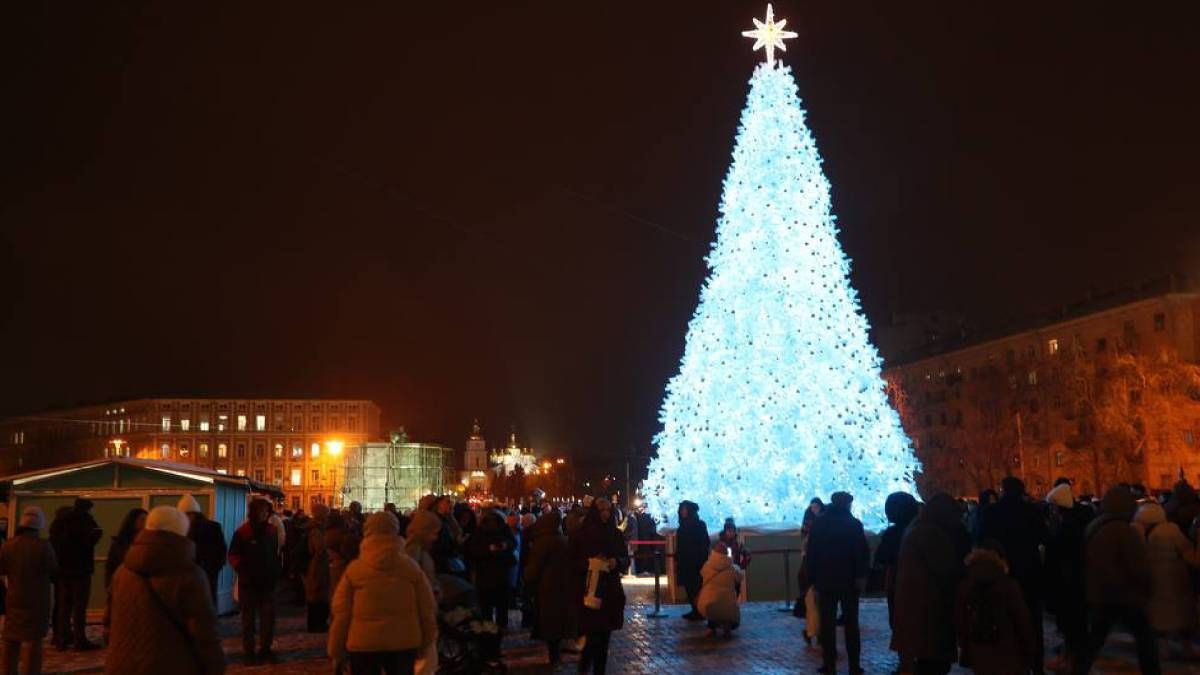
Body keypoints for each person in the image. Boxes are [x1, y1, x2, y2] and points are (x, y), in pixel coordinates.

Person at [105, 506, 224, 675]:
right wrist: (215, 667)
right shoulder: (189, 574)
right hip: (172, 664)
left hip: (123, 664)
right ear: (181, 531)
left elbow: (109, 619)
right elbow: (204, 630)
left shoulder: (123, 571)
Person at [329, 512, 437, 675]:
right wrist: (425, 644)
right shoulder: (411, 568)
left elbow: (341, 614)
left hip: (363, 644)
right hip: (403, 643)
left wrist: (336, 651)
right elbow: (427, 610)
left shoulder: (355, 571)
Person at [1073, 486, 1159, 675]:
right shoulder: (1124, 531)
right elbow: (1137, 565)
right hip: (1125, 595)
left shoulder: (1095, 526)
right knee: (1145, 640)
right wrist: (1148, 587)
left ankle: (1079, 669)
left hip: (1100, 594)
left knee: (1094, 640)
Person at [977, 477, 1048, 674]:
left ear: (1003, 490)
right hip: (1029, 572)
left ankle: (1011, 663)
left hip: (1002, 572)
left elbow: (981, 539)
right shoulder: (1032, 511)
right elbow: (1045, 537)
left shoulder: (992, 512)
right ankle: (1036, 664)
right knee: (1033, 621)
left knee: (1005, 620)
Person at [894, 493, 966, 675]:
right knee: (934, 664)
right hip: (930, 612)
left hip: (918, 609)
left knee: (929, 662)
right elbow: (946, 570)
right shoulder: (932, 533)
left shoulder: (917, 527)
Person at [803, 491, 869, 675]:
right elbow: (862, 554)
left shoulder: (820, 523)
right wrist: (860, 577)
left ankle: (829, 665)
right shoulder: (854, 525)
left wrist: (813, 578)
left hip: (825, 581)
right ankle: (854, 666)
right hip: (849, 582)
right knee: (851, 625)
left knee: (827, 624)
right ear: (848, 504)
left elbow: (812, 553)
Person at [955, 543, 1038, 675]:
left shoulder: (966, 585)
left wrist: (966, 650)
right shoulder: (1008, 585)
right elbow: (1023, 622)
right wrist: (1030, 654)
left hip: (979, 653)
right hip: (1010, 653)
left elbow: (960, 622)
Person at [569, 498, 628, 675]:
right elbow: (571, 562)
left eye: (608, 510)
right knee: (593, 636)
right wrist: (589, 563)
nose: (605, 513)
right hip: (588, 590)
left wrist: (615, 561)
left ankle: (595, 670)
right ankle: (585, 669)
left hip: (609, 590)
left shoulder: (615, 534)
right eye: (601, 510)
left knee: (603, 637)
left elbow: (624, 559)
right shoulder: (581, 534)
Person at [1134, 500, 1200, 658]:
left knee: (1157, 616)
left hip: (1151, 579)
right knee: (1182, 614)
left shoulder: (1137, 531)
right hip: (1175, 579)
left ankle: (1163, 648)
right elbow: (1187, 551)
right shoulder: (1170, 530)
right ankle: (1187, 648)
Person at [0, 507, 57, 675]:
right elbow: (53, 570)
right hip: (37, 598)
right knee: (34, 640)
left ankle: (8, 670)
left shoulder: (8, 545)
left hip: (14, 596)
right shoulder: (43, 546)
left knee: (11, 638)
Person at [1042, 481, 1090, 672]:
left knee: (1072, 625)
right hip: (1071, 582)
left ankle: (1071, 661)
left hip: (1069, 583)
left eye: (1052, 506)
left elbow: (1059, 555)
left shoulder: (1067, 529)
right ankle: (1068, 657)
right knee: (1071, 625)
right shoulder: (1071, 525)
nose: (1051, 510)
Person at [228, 498, 282, 666]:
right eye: (261, 511)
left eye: (266, 512)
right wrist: (244, 573)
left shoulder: (272, 531)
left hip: (268, 584)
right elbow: (233, 556)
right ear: (253, 512)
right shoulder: (243, 532)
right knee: (248, 621)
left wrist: (276, 572)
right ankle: (249, 652)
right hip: (249, 585)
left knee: (268, 620)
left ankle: (265, 649)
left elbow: (275, 554)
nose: (264, 514)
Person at [51, 498, 102, 651]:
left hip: (63, 569)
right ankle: (80, 640)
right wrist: (97, 535)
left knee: (64, 605)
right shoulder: (85, 520)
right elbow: (88, 541)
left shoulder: (60, 522)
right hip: (81, 568)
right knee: (79, 606)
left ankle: (61, 639)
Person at [524, 509, 574, 665]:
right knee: (557, 621)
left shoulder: (542, 542)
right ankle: (556, 652)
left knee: (550, 621)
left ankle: (554, 656)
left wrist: (527, 583)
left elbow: (534, 568)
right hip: (562, 586)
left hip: (547, 587)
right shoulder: (563, 540)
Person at [873, 491, 918, 652]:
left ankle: (905, 659)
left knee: (899, 619)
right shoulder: (920, 528)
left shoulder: (893, 533)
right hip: (917, 583)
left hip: (897, 581)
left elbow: (882, 556)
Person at [103, 507, 147, 646]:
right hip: (123, 586)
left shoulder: (147, 541)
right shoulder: (121, 543)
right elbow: (111, 565)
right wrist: (109, 585)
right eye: (142, 519)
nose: (145, 522)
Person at [469, 509, 517, 632]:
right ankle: (496, 626)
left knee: (490, 603)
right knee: (497, 602)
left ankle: (491, 626)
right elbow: (474, 550)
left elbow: (474, 550)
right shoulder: (500, 530)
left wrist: (503, 546)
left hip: (490, 572)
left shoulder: (481, 531)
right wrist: (491, 549)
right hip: (495, 571)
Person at [178, 495, 227, 607]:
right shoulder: (214, 526)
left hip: (202, 571)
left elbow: (221, 550)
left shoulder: (183, 529)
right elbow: (222, 549)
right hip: (207, 571)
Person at [698, 540, 744, 638]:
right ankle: (727, 629)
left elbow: (702, 575)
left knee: (712, 604)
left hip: (709, 602)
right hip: (727, 601)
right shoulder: (731, 567)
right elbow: (740, 577)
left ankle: (711, 628)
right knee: (726, 608)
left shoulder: (707, 565)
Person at [675, 500, 709, 621]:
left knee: (696, 587)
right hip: (685, 563)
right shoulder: (682, 527)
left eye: (685, 509)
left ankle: (699, 610)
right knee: (689, 588)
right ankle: (694, 609)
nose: (683, 512)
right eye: (682, 509)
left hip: (696, 563)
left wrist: (700, 558)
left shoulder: (699, 525)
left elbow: (704, 544)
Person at [305, 503, 332, 632]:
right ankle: (315, 624)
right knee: (317, 594)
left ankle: (317, 622)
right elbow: (320, 548)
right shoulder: (316, 530)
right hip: (317, 565)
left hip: (319, 565)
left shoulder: (316, 528)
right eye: (327, 514)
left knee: (318, 594)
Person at [404, 510, 442, 599]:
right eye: (434, 533)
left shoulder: (420, 550)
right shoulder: (414, 552)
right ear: (424, 531)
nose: (436, 538)